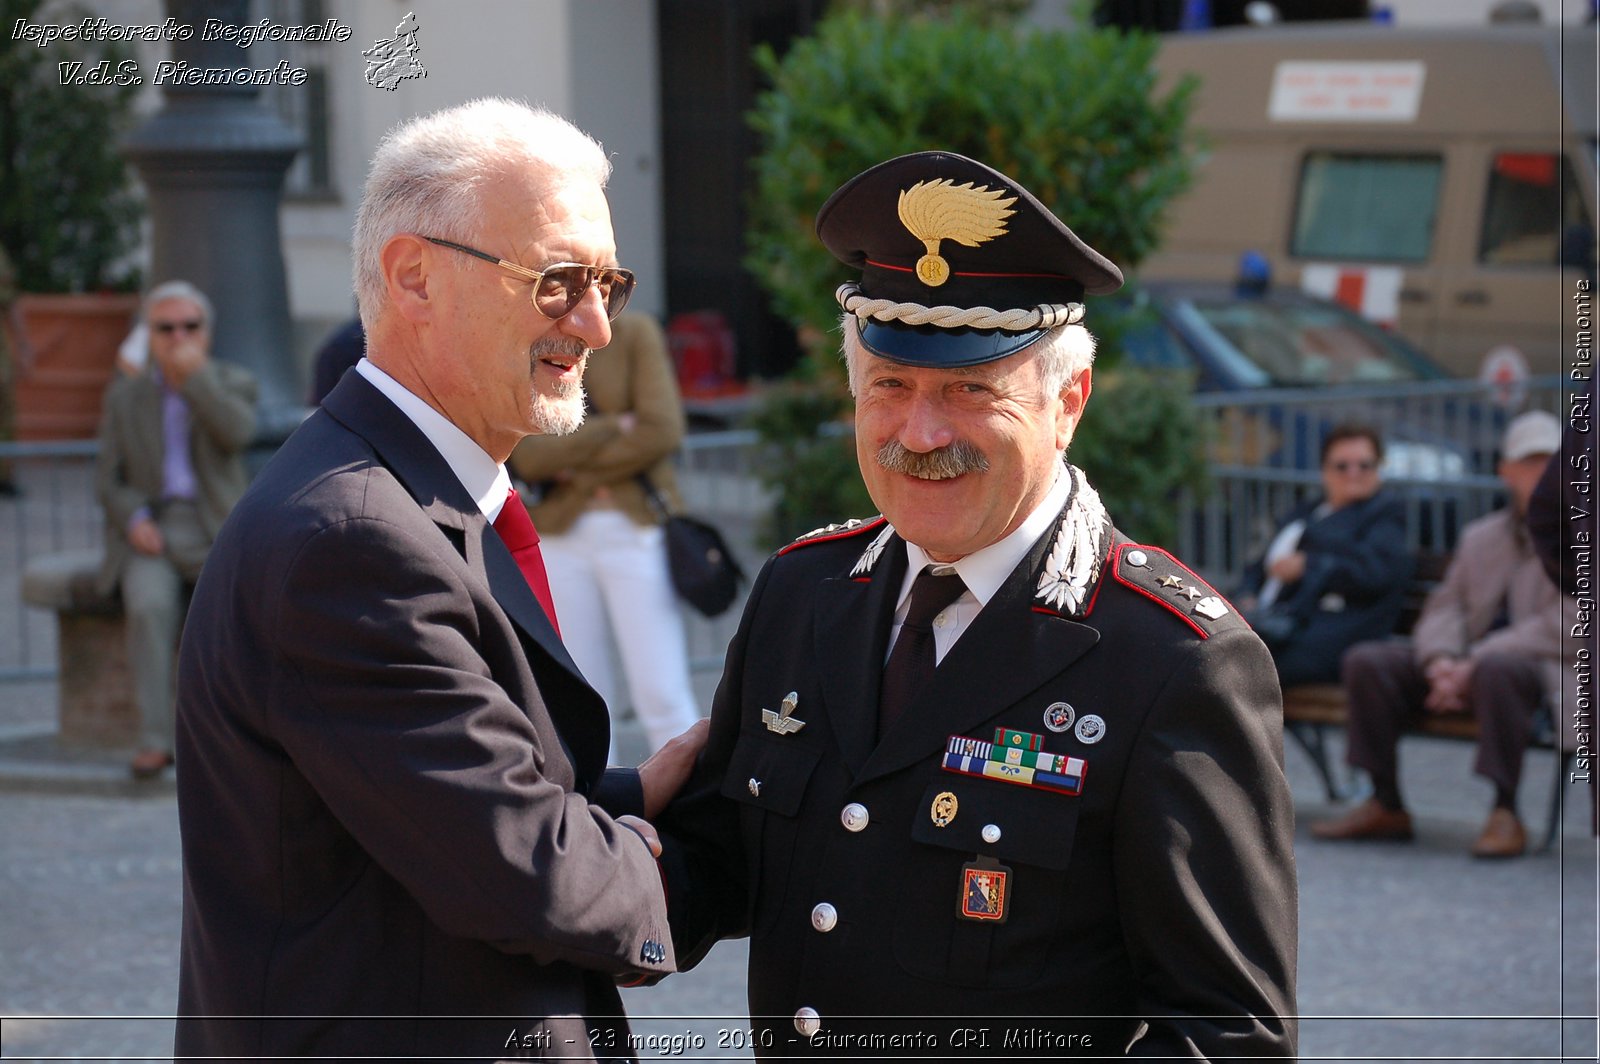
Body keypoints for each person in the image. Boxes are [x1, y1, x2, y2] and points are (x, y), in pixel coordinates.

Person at [659, 152, 1297, 1056]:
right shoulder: (802, 595)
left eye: (970, 391)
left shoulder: (1168, 659)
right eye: (891, 386)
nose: (922, 434)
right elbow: (714, 863)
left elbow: (1230, 1034)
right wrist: (542, 859)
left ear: (1068, 401)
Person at [173, 99, 702, 1062]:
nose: (595, 325)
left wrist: (630, 797)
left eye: (607, 284)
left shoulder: (407, 500)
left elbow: (443, 802)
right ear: (414, 276)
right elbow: (520, 873)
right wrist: (658, 859)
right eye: (557, 282)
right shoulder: (354, 538)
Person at [1312, 410, 1574, 858]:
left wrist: (1475, 661)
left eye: (1550, 464)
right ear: (1505, 472)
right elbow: (1444, 607)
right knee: (1368, 661)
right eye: (1529, 464)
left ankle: (1504, 810)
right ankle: (1386, 803)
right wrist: (1441, 662)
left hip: (1539, 674)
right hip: (1462, 665)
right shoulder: (1480, 537)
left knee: (1499, 668)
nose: (1541, 476)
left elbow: (1570, 625)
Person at [509, 311, 701, 756]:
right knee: (584, 693)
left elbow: (661, 430)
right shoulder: (533, 339)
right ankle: (599, 814)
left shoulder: (633, 333)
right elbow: (532, 456)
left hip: (632, 527)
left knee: (661, 690)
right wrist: (615, 425)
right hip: (559, 535)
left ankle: (689, 811)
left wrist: (570, 466)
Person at [95, 280, 257, 778]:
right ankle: (153, 740)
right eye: (165, 328)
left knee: (224, 621)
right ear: (149, 334)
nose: (178, 337)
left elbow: (238, 433)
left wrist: (195, 381)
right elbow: (108, 478)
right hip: (155, 529)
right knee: (147, 606)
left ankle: (228, 740)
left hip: (214, 528)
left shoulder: (230, 381)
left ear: (206, 333)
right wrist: (135, 520)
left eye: (190, 326)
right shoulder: (126, 396)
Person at [1236, 423, 1412, 686]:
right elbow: (1259, 566)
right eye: (1342, 466)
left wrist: (1309, 565)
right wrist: (1246, 595)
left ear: (1379, 470)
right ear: (1324, 472)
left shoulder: (1387, 516)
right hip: (1272, 627)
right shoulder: (1306, 511)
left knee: (1234, 669)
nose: (1354, 473)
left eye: (1365, 465)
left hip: (1329, 636)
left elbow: (1374, 572)